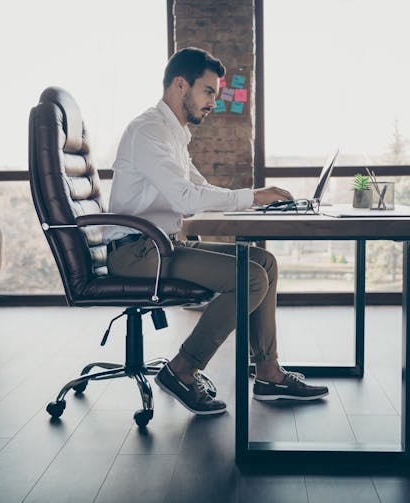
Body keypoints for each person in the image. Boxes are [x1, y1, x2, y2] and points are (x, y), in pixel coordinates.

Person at [105, 47, 328, 415]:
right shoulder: (149, 131)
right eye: (208, 91)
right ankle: (182, 369)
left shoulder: (174, 135)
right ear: (181, 85)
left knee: (264, 263)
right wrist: (253, 196)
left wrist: (257, 202)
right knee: (251, 279)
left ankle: (269, 371)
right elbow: (186, 198)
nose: (214, 102)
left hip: (161, 247)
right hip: (137, 255)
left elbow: (198, 189)